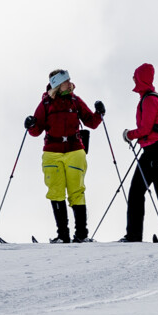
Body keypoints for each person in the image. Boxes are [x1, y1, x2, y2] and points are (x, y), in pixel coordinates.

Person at [25, 69, 104, 243]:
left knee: (77, 191)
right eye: (66, 81)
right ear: (57, 85)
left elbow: (91, 122)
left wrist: (99, 114)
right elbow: (36, 131)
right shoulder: (46, 104)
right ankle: (63, 235)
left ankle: (81, 235)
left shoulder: (75, 100)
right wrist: (31, 125)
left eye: (69, 80)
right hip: (52, 153)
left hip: (75, 150)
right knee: (56, 192)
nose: (70, 83)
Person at [121, 63, 158, 242]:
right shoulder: (149, 98)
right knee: (153, 190)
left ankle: (142, 235)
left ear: (141, 78)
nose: (133, 78)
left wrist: (129, 135)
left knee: (157, 190)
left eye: (135, 75)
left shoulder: (149, 99)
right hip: (154, 150)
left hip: (156, 150)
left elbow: (145, 129)